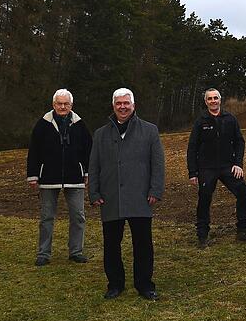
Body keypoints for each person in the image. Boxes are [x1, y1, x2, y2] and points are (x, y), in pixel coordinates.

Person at [89, 88, 165, 300]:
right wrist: (93, 193)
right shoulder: (100, 134)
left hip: (141, 197)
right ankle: (115, 284)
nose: (123, 107)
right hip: (110, 197)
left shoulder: (149, 131)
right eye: (119, 103)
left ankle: (144, 285)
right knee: (111, 244)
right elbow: (93, 166)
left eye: (126, 103)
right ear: (113, 106)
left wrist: (155, 190)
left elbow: (158, 164)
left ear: (134, 105)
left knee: (143, 245)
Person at [187, 88, 246, 248]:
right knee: (204, 198)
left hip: (228, 166)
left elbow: (240, 142)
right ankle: (202, 236)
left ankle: (242, 231)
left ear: (220, 100)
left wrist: (238, 164)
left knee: (243, 192)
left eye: (216, 98)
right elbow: (192, 147)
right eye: (210, 99)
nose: (213, 101)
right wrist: (193, 172)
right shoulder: (201, 121)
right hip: (206, 168)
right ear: (206, 102)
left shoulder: (230, 119)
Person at [26, 89, 92, 266]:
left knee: (78, 216)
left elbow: (88, 151)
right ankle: (44, 253)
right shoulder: (42, 124)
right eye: (59, 103)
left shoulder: (80, 124)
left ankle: (76, 251)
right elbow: (34, 151)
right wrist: (33, 175)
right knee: (46, 217)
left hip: (75, 177)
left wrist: (87, 172)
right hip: (48, 177)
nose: (62, 107)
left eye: (66, 104)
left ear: (71, 105)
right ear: (53, 104)